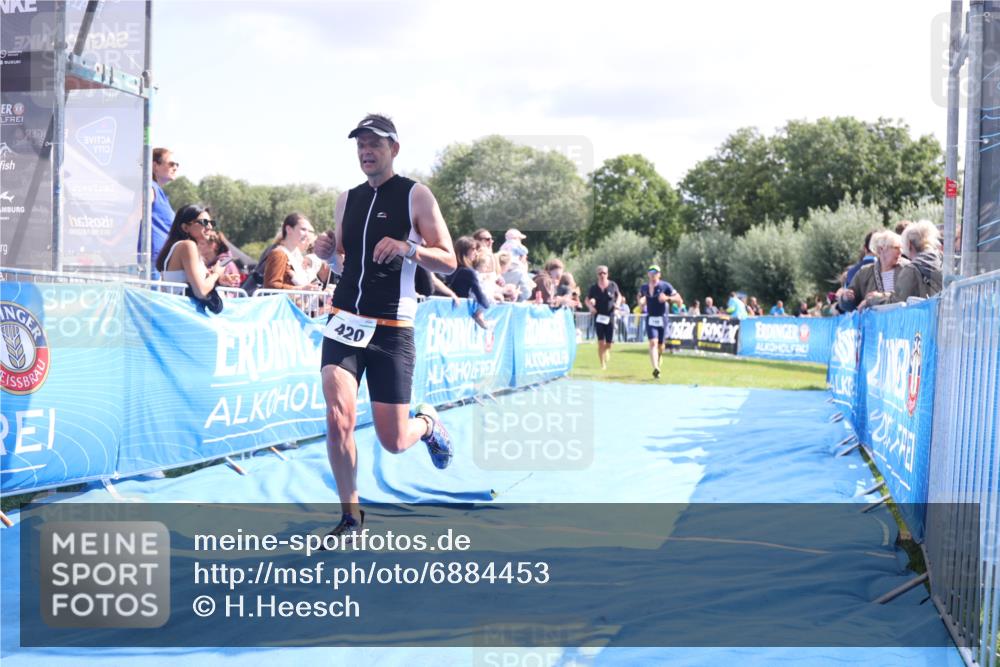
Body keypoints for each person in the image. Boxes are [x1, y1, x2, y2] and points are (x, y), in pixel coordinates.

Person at [312, 114, 457, 538]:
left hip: (393, 328)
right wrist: (326, 253)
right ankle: (350, 514)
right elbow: (343, 260)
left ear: (394, 149)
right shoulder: (346, 200)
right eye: (360, 145)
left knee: (393, 440)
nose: (366, 151)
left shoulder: (416, 196)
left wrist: (409, 248)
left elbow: (449, 259)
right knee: (338, 416)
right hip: (344, 322)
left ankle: (427, 424)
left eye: (375, 144)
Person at [156, 204, 229, 300]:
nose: (210, 227)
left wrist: (218, 279)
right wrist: (216, 274)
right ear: (185, 227)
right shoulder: (187, 246)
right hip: (187, 312)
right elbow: (201, 292)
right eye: (204, 222)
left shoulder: (183, 247)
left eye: (211, 222)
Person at [838, 230, 908, 312]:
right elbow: (849, 306)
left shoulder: (907, 268)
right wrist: (845, 298)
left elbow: (905, 296)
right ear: (881, 249)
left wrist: (874, 299)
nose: (901, 251)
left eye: (901, 248)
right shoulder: (864, 272)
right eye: (896, 247)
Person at [638, 265, 680, 379]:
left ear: (659, 274)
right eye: (651, 272)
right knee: (653, 343)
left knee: (661, 346)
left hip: (662, 319)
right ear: (648, 274)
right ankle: (656, 368)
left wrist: (667, 298)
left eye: (655, 272)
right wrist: (641, 301)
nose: (653, 275)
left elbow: (679, 299)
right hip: (650, 318)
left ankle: (659, 356)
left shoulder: (665, 286)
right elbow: (640, 298)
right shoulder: (644, 287)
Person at [144, 147, 178, 277]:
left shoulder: (157, 190)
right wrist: (114, 240)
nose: (175, 167)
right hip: (151, 259)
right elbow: (135, 217)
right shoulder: (150, 188)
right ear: (155, 166)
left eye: (177, 164)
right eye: (171, 163)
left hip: (161, 259)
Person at [446, 236, 492, 328]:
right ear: (465, 251)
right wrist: (488, 303)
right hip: (461, 314)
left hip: (451, 311)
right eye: (473, 249)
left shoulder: (450, 268)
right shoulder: (469, 272)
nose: (476, 253)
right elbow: (481, 298)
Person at [892, 220, 943, 301]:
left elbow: (897, 302)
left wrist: (874, 299)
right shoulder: (945, 262)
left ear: (909, 244)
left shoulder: (910, 270)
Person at [586, 265, 622, 370]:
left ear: (607, 274)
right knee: (601, 342)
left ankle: (606, 351)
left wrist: (618, 305)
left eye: (604, 273)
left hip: (610, 316)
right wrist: (591, 307)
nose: (602, 275)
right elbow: (587, 300)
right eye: (600, 273)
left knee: (609, 343)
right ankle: (602, 364)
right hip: (598, 317)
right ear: (597, 275)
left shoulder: (612, 285)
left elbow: (619, 296)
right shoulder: (594, 288)